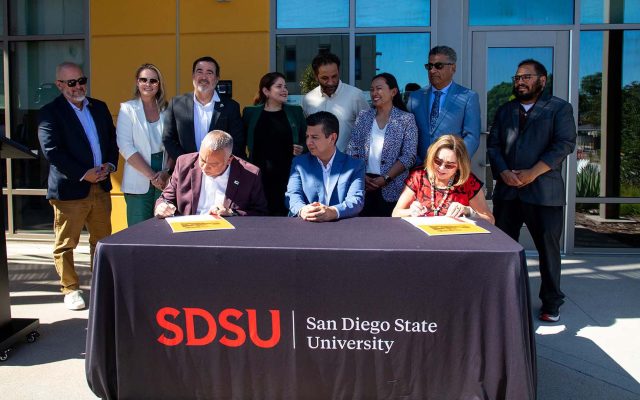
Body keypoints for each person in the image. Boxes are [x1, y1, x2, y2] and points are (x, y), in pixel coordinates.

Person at [487, 59, 576, 323]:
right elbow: (493, 145)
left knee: (548, 250)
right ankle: (501, 298)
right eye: (517, 78)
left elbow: (564, 144)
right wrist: (503, 172)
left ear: (542, 80)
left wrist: (532, 173)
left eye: (526, 77)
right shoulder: (505, 110)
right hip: (508, 192)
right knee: (502, 249)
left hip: (543, 192)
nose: (520, 82)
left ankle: (551, 302)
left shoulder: (559, 108)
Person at [38, 62, 118, 310]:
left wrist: (109, 166)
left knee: (102, 240)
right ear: (60, 85)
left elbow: (112, 142)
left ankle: (100, 286)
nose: (78, 86)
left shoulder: (99, 107)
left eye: (81, 80)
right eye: (71, 83)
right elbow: (52, 151)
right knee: (66, 243)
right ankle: (70, 288)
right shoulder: (50, 112)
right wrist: (84, 174)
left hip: (101, 186)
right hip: (70, 190)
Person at [347, 73, 417, 216]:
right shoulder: (363, 117)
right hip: (364, 184)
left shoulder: (406, 119)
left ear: (393, 92)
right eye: (372, 89)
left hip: (392, 185)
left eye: (379, 88)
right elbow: (351, 149)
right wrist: (361, 175)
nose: (374, 93)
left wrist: (386, 178)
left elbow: (409, 155)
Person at [154, 130, 267, 218]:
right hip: (188, 231)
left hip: (227, 235)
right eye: (202, 159)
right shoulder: (184, 164)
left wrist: (232, 213)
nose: (204, 167)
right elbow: (165, 198)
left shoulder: (249, 174)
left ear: (229, 160)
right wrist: (161, 207)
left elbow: (260, 212)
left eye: (213, 164)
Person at [242, 72, 306, 215]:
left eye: (285, 86)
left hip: (288, 174)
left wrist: (302, 148)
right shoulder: (249, 113)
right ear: (266, 91)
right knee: (260, 214)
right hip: (258, 175)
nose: (284, 90)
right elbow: (241, 142)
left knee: (285, 213)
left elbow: (307, 139)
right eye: (279, 86)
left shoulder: (296, 111)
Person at [392, 134, 494, 224]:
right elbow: (396, 213)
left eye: (449, 165)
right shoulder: (418, 176)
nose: (441, 168)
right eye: (437, 161)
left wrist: (469, 212)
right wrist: (411, 211)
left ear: (460, 166)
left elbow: (490, 220)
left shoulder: (468, 182)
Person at [116, 63, 172, 226]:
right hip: (138, 173)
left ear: (159, 84)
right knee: (138, 229)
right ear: (137, 82)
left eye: (153, 81)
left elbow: (173, 144)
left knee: (163, 228)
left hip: (164, 175)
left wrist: (165, 172)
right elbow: (125, 146)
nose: (148, 84)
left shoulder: (167, 109)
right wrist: (152, 176)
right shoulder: (127, 109)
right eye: (143, 79)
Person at [285, 111, 365, 221]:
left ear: (332, 138)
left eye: (315, 137)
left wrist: (333, 211)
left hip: (341, 228)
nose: (308, 142)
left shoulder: (354, 165)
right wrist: (303, 210)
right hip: (306, 225)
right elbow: (292, 195)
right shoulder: (299, 163)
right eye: (307, 136)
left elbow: (356, 201)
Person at [407, 45, 481, 163]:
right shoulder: (415, 97)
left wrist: (453, 162)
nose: (432, 70)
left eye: (438, 66)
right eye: (429, 66)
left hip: (450, 169)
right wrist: (416, 162)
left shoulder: (468, 97)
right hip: (420, 168)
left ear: (453, 68)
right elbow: (408, 135)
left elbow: (472, 137)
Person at [162, 56, 244, 160]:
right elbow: (168, 139)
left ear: (217, 78)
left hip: (219, 170)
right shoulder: (176, 104)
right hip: (187, 170)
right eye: (199, 72)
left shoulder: (231, 107)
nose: (204, 77)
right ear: (193, 76)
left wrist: (215, 162)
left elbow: (237, 142)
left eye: (209, 73)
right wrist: (188, 161)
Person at [302, 52, 369, 152]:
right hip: (316, 163)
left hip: (346, 163)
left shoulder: (355, 95)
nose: (331, 82)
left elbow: (368, 130)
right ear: (316, 77)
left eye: (334, 76)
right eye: (325, 78)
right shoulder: (308, 99)